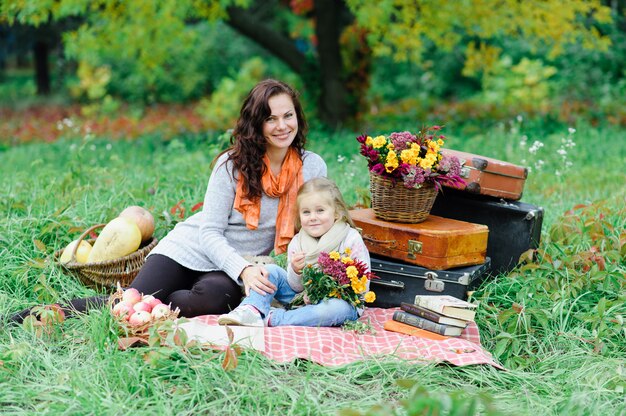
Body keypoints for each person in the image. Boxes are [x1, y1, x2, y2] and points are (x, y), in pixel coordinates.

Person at [10, 79, 327, 323]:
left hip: (233, 265)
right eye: (271, 119)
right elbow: (209, 233)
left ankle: (159, 301)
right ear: (256, 123)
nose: (282, 125)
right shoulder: (232, 165)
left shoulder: (312, 166)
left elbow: (317, 224)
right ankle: (35, 315)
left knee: (213, 301)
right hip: (191, 248)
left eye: (288, 116)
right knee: (127, 303)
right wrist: (244, 270)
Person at [217, 177, 371, 327]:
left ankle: (272, 318)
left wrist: (325, 294)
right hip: (300, 297)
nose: (313, 217)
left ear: (336, 212)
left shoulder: (350, 238)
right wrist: (296, 271)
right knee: (269, 271)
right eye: (306, 212)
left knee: (333, 309)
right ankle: (252, 309)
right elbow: (295, 286)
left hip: (340, 300)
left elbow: (362, 284)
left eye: (320, 211)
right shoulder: (298, 241)